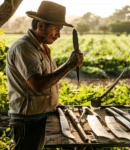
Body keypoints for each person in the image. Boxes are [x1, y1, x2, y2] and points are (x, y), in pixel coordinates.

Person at [6, 1, 84, 150]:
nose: (59, 35)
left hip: (41, 115)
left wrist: (56, 104)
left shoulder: (42, 48)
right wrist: (69, 65)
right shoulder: (24, 48)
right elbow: (39, 85)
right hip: (28, 120)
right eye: (56, 29)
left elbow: (49, 82)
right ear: (41, 26)